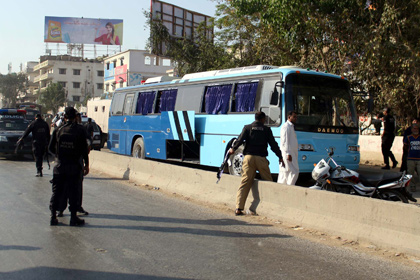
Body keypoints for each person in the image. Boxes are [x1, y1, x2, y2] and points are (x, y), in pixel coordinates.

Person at [229, 111, 284, 216]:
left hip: (248, 159)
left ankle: (238, 208)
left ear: (255, 118)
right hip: (261, 159)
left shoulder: (247, 128)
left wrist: (233, 149)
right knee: (268, 182)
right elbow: (273, 144)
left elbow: (239, 140)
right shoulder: (267, 130)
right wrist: (280, 156)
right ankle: (271, 207)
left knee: (245, 182)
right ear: (263, 119)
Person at [49, 107, 89, 226]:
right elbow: (84, 150)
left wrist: (59, 156)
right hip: (74, 167)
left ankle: (53, 217)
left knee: (56, 192)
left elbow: (50, 148)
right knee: (73, 192)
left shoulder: (58, 130)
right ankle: (73, 218)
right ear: (76, 116)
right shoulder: (80, 130)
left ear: (64, 117)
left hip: (60, 166)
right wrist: (86, 165)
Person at [278, 111, 299, 185]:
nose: (296, 118)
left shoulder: (291, 126)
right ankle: (290, 187)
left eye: (296, 117)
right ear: (289, 117)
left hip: (291, 153)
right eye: (294, 117)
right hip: (288, 153)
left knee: (285, 172)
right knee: (294, 171)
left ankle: (282, 189)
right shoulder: (286, 127)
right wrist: (288, 153)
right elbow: (285, 141)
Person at [404, 123, 420, 193]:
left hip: (419, 159)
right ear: (411, 129)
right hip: (410, 158)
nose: (415, 130)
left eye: (416, 128)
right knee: (410, 173)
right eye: (414, 128)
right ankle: (412, 186)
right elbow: (405, 147)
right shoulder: (408, 137)